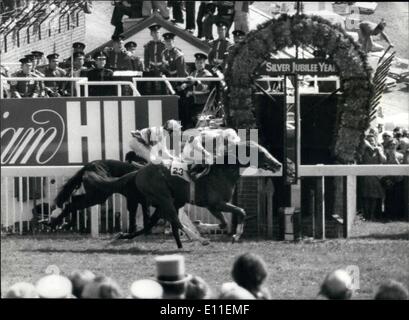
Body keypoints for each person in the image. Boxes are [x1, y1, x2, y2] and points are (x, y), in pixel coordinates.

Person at [179, 53, 212, 128]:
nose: (199, 65)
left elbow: (205, 89)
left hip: (201, 102)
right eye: (197, 63)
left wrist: (196, 84)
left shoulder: (207, 75)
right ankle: (184, 127)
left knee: (190, 114)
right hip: (193, 100)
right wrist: (185, 85)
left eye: (201, 63)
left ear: (204, 64)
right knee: (181, 104)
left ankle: (189, 127)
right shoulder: (194, 73)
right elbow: (191, 82)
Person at [358, 133, 386, 220]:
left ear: (375, 141)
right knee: (366, 196)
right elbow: (359, 159)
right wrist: (364, 148)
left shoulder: (379, 149)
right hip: (365, 176)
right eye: (369, 141)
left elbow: (384, 160)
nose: (371, 142)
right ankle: (366, 215)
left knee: (374, 197)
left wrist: (379, 151)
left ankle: (372, 215)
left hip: (375, 176)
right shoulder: (364, 150)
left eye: (372, 141)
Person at [144, 24, 166, 94]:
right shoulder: (148, 45)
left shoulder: (164, 44)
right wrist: (146, 66)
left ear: (160, 33)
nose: (156, 34)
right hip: (152, 68)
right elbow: (146, 57)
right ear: (151, 34)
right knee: (151, 86)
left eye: (157, 32)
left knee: (163, 86)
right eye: (154, 33)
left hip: (162, 68)